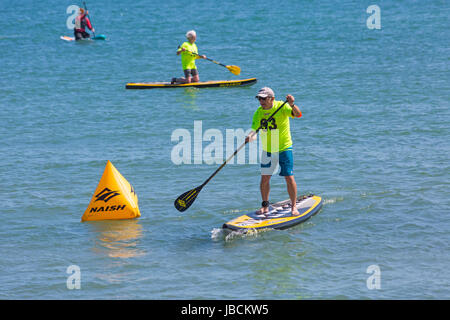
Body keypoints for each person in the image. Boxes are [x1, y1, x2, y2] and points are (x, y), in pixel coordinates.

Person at [245, 87, 302, 216]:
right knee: (264, 179)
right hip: (268, 149)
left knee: (288, 177)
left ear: (272, 99)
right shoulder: (258, 113)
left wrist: (292, 104)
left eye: (264, 98)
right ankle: (265, 206)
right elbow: (254, 130)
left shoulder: (282, 106)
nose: (261, 101)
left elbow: (298, 114)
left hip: (284, 148)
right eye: (259, 98)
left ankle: (294, 207)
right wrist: (250, 137)